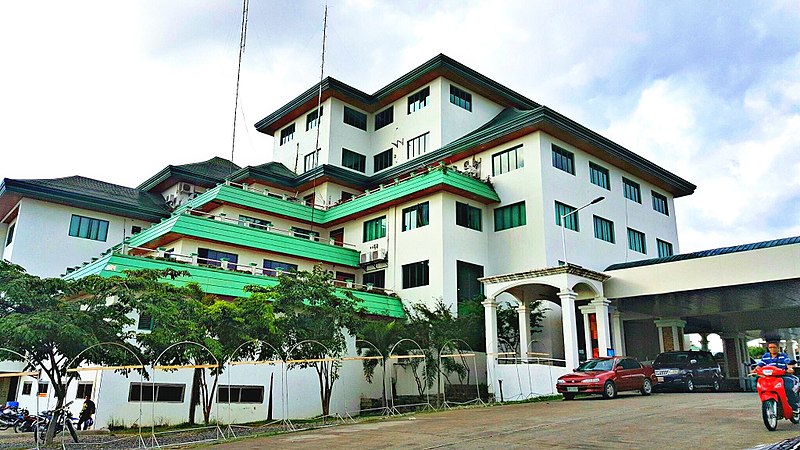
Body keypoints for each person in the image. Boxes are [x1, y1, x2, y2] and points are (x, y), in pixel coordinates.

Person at [756, 341, 799, 413]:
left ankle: (794, 406)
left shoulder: (783, 356)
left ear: (778, 348)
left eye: (774, 347)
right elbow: (760, 364)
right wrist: (755, 369)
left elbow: (788, 363)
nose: (772, 349)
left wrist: (789, 368)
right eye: (770, 347)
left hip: (782, 376)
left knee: (788, 388)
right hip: (769, 378)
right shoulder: (765, 356)